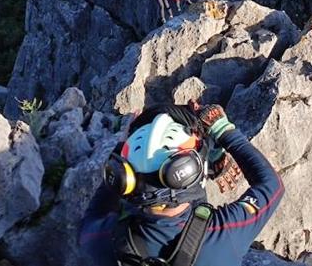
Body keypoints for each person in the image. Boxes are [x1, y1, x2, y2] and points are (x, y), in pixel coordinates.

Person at [79, 103, 284, 266]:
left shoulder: (100, 240)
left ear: (126, 179)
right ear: (190, 171)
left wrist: (123, 148)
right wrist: (222, 130)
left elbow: (95, 213)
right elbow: (271, 186)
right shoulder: (226, 232)